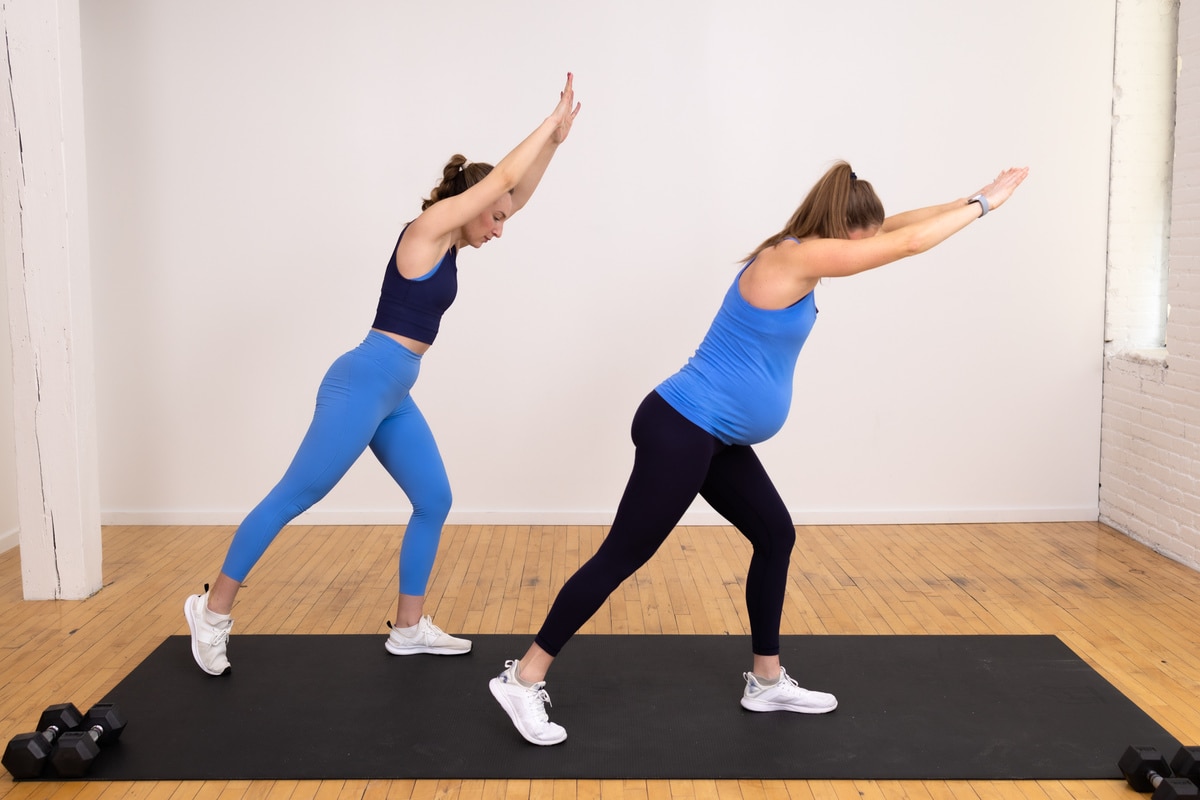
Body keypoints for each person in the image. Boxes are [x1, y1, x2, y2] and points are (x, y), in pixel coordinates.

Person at [488, 161, 1030, 744]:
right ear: (840, 229)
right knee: (624, 554)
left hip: (715, 435)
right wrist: (986, 208)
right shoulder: (792, 258)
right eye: (862, 238)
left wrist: (971, 195)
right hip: (681, 426)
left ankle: (766, 681)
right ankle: (523, 677)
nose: (869, 247)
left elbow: (899, 226)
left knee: (775, 534)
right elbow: (908, 243)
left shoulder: (805, 247)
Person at [184, 74, 582, 676]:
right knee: (297, 494)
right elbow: (501, 182)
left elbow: (513, 192)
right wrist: (544, 126)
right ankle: (211, 613)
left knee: (434, 498)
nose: (500, 228)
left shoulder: (454, 245)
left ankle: (409, 627)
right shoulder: (424, 234)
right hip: (362, 382)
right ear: (468, 207)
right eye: (494, 218)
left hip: (394, 392)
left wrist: (555, 145)